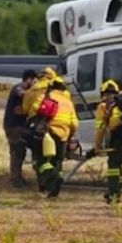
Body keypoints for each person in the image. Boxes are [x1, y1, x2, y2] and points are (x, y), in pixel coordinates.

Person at [23, 67, 79, 198]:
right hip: (63, 135)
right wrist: (70, 135)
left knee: (41, 161)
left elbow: (33, 108)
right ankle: (54, 188)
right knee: (57, 161)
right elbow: (74, 123)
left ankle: (49, 181)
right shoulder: (68, 101)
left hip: (46, 133)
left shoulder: (41, 94)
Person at [2, 69, 37, 188]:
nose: (34, 83)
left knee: (21, 152)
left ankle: (18, 178)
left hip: (19, 127)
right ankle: (15, 180)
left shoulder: (26, 91)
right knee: (17, 152)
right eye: (34, 81)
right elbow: (21, 94)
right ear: (29, 79)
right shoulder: (18, 88)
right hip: (13, 126)